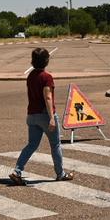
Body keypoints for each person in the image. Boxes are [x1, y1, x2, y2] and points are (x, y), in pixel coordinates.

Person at [10, 47, 74, 184]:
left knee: (31, 145)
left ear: (32, 61)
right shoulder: (46, 77)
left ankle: (17, 170)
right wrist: (51, 118)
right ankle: (60, 174)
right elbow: (48, 97)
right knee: (55, 144)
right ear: (46, 61)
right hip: (45, 115)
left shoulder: (31, 75)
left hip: (32, 115)